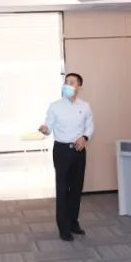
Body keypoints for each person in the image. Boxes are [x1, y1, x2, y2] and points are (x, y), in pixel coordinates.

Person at [39, 73, 94, 241]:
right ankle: (63, 227)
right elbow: (48, 126)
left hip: (79, 150)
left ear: (79, 87)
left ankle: (73, 222)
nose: (68, 85)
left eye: (72, 82)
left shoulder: (85, 106)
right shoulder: (55, 106)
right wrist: (45, 129)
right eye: (66, 82)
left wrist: (85, 138)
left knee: (76, 188)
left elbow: (89, 126)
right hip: (61, 150)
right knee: (63, 189)